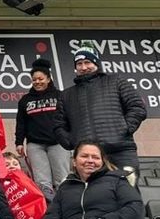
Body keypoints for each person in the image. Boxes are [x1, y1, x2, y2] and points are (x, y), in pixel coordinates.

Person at [41, 142, 150, 219]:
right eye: (84, 156)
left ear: (102, 161)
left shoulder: (117, 181)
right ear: (74, 161)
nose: (90, 160)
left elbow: (134, 214)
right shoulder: (65, 189)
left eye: (95, 157)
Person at [54, 45, 147, 181]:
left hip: (120, 151)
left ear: (96, 63)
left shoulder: (116, 80)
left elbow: (137, 107)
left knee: (128, 193)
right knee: (95, 197)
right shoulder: (66, 94)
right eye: (79, 64)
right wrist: (71, 141)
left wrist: (124, 128)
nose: (83, 67)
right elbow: (58, 124)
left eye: (87, 62)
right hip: (88, 156)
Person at [16, 58, 69, 192]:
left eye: (41, 79)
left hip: (58, 143)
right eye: (34, 80)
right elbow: (21, 122)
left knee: (62, 179)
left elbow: (68, 118)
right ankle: (48, 209)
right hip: (35, 145)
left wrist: (69, 137)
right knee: (41, 182)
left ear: (48, 78)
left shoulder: (60, 95)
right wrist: (19, 142)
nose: (37, 82)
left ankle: (67, 208)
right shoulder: (25, 100)